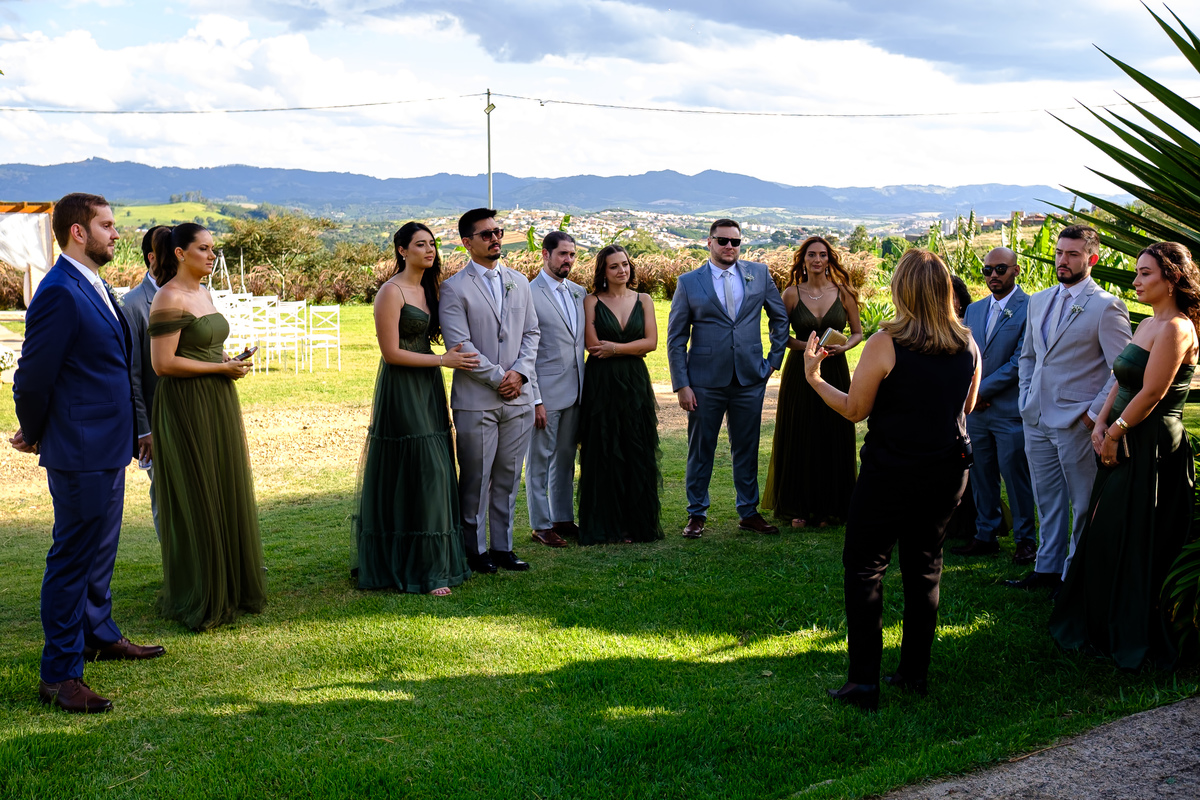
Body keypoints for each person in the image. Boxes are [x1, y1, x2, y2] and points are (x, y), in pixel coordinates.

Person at [805, 249, 981, 711]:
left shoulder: (886, 343)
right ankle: (913, 672)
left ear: (902, 289)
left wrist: (815, 378)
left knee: (866, 567)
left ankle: (864, 683)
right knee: (925, 567)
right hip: (948, 470)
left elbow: (854, 410)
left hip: (892, 471)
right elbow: (967, 406)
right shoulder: (967, 342)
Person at [11, 192, 164, 714]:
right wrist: (34, 431)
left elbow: (114, 366)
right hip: (78, 448)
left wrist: (136, 428)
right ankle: (59, 674)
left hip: (109, 444)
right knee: (73, 558)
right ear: (78, 232)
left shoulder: (94, 283)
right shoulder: (59, 291)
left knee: (101, 551)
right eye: (107, 225)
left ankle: (98, 634)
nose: (117, 233)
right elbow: (33, 377)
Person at [1050, 242, 1199, 670]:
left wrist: (1115, 432)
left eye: (1145, 274)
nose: (1135, 281)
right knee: (1106, 529)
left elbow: (1152, 392)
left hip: (1151, 445)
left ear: (1172, 279)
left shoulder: (1177, 328)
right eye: (1136, 272)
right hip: (1123, 434)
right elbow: (1122, 376)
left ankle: (1129, 630)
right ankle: (1099, 621)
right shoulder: (1149, 322)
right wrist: (1100, 422)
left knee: (1130, 533)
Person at [148, 223, 267, 630]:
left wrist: (229, 361)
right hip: (185, 404)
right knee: (198, 492)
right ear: (180, 253)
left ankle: (229, 586)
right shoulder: (168, 296)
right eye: (203, 249)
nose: (212, 256)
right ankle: (202, 593)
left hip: (217, 399)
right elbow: (162, 364)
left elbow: (202, 348)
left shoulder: (204, 292)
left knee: (221, 484)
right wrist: (219, 368)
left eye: (213, 249)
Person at [352, 222, 479, 595]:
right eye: (421, 244)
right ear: (402, 250)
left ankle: (433, 559)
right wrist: (442, 361)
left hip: (428, 386)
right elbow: (391, 353)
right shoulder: (390, 292)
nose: (429, 250)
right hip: (402, 387)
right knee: (426, 468)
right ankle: (425, 569)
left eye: (432, 244)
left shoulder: (430, 290)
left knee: (436, 464)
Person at [1010, 225, 1132, 594]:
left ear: (1092, 258)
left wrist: (1092, 415)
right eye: (1060, 253)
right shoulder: (1039, 300)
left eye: (1073, 254)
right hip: (1035, 417)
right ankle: (1046, 568)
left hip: (1078, 422)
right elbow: (1030, 356)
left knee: (1082, 502)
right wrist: (1026, 397)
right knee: (1046, 499)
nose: (1063, 260)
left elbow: (1122, 370)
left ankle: (1073, 575)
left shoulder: (1107, 306)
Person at [666, 218, 790, 539]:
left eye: (735, 241)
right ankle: (696, 514)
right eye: (723, 241)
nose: (730, 247)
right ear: (709, 242)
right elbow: (676, 338)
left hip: (750, 379)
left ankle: (748, 512)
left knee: (747, 448)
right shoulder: (689, 282)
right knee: (701, 449)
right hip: (704, 381)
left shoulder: (758, 274)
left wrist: (772, 362)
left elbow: (780, 318)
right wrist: (682, 384)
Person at [440, 208, 540, 574]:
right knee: (476, 479)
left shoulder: (520, 281)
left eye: (498, 231)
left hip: (519, 398)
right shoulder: (453, 288)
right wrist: (501, 378)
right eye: (486, 234)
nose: (495, 238)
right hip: (476, 400)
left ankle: (503, 547)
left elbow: (532, 333)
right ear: (467, 243)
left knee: (509, 477)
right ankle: (474, 550)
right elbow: (460, 345)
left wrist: (521, 374)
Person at [763, 236, 862, 528]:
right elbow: (780, 336)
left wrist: (844, 347)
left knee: (833, 430)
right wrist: (807, 348)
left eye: (822, 255)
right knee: (800, 431)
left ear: (829, 260)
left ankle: (830, 507)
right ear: (803, 260)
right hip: (800, 370)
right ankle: (799, 506)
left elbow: (858, 332)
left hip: (835, 369)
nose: (817, 260)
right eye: (811, 255)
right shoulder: (791, 294)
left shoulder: (844, 293)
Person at [952, 248, 1037, 564]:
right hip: (976, 413)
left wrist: (977, 390)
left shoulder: (1030, 308)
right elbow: (962, 353)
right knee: (981, 474)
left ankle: (1025, 540)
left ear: (1016, 270)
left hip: (1007, 409)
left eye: (1000, 269)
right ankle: (985, 534)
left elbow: (1019, 361)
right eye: (987, 270)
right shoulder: (974, 310)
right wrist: (971, 394)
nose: (993, 276)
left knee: (1016, 477)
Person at [577, 245, 663, 544]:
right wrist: (629, 349)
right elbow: (593, 346)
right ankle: (606, 524)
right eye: (614, 266)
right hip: (602, 382)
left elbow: (651, 343)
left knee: (636, 447)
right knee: (604, 448)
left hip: (635, 381)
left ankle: (635, 524)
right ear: (603, 271)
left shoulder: (644, 300)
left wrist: (615, 348)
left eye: (625, 264)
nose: (621, 270)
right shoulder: (591, 301)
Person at [525, 231, 586, 548]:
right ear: (545, 254)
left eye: (572, 254)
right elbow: (526, 352)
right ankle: (540, 525)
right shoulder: (528, 294)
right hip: (544, 394)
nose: (568, 260)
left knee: (565, 458)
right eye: (563, 254)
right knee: (539, 461)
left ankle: (562, 518)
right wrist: (535, 399)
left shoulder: (579, 292)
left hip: (576, 391)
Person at [121, 224, 171, 541]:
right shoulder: (133, 304)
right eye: (169, 253)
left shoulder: (188, 294)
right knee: (165, 496)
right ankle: (174, 560)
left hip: (193, 412)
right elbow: (133, 374)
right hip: (157, 419)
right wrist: (144, 430)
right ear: (152, 257)